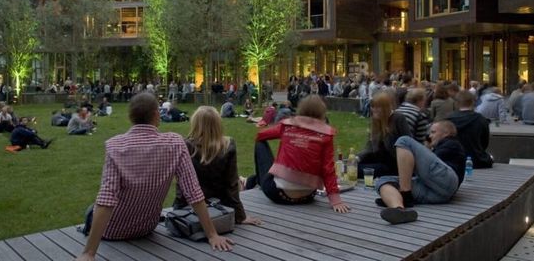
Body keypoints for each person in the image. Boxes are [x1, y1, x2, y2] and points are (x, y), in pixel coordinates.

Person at [74, 93, 232, 261]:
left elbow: (106, 201)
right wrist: (212, 235)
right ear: (157, 114)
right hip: (146, 227)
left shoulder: (115, 146)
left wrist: (89, 253)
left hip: (113, 232)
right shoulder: (175, 144)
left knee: (92, 209)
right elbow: (193, 192)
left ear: (130, 117)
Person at [246, 95, 350, 213]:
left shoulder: (287, 126)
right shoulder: (326, 134)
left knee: (260, 143)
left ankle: (255, 181)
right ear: (322, 112)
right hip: (308, 196)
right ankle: (254, 180)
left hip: (278, 194)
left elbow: (260, 136)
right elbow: (328, 169)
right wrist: (336, 200)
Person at [173, 106, 261, 225]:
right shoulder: (227, 145)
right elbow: (232, 184)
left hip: (191, 208)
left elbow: (181, 185)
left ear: (195, 123)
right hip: (219, 207)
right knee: (239, 181)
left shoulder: (185, 145)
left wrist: (177, 209)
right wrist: (240, 216)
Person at [375, 120, 466, 224]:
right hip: (438, 193)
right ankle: (398, 208)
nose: (429, 136)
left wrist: (426, 149)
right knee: (383, 181)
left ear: (446, 133)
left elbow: (429, 165)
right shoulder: (441, 148)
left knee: (403, 141)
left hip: (448, 179)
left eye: (433, 132)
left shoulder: (452, 143)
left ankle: (405, 194)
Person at [357, 91, 411, 178]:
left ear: (385, 108)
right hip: (378, 158)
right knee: (352, 165)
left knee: (358, 171)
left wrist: (387, 133)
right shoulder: (375, 121)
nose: (374, 110)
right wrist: (357, 158)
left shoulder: (398, 118)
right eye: (372, 106)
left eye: (377, 107)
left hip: (393, 164)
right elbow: (371, 147)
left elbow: (408, 143)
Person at [446, 90, 493, 168]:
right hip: (477, 160)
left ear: (456, 103)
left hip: (454, 160)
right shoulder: (481, 119)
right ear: (473, 102)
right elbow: (484, 142)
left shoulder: (448, 120)